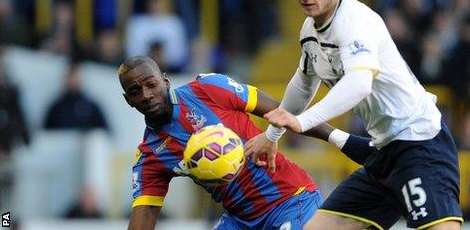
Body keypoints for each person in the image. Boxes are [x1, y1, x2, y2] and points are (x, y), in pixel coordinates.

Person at [246, 0, 463, 229]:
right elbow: (303, 84)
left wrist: (302, 122)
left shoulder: (356, 22)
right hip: (383, 152)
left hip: (420, 143)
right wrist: (272, 136)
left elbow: (359, 84)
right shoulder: (309, 30)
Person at [118, 56, 374, 230]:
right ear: (127, 100)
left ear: (165, 80)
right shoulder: (150, 157)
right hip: (240, 220)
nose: (146, 95)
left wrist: (343, 140)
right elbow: (144, 216)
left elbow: (281, 112)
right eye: (135, 92)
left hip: (290, 199)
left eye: (151, 85)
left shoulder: (208, 89)